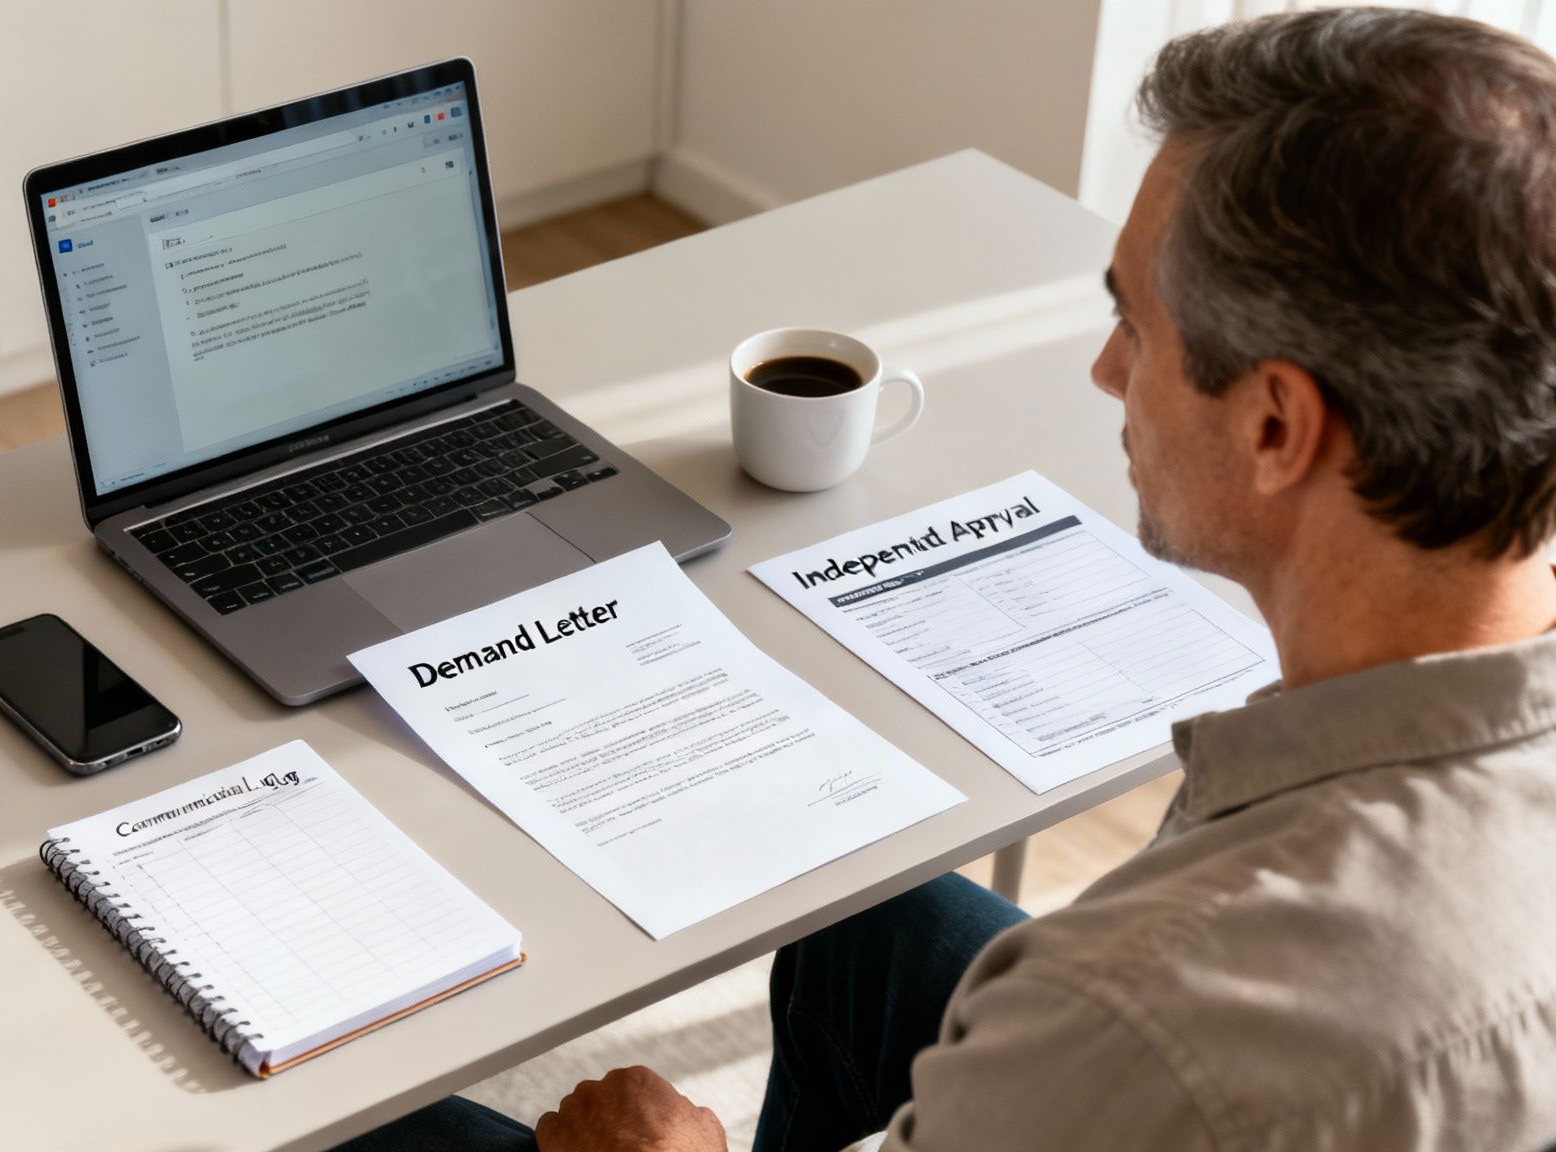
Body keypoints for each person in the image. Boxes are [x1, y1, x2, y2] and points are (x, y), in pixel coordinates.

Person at [340, 8, 1556, 1149]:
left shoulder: (1139, 1013)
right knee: (881, 927)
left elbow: (1139, 1041)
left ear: (1276, 426)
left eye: (1134, 326)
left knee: (365, 1124)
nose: (1100, 371)